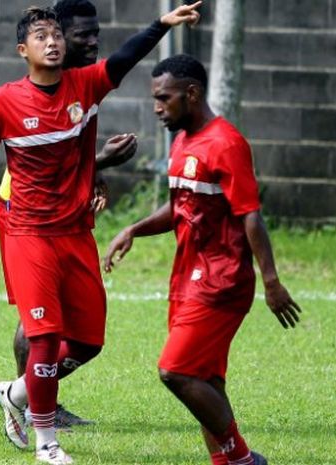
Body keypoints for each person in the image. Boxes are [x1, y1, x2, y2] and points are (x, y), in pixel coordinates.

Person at [0, 4, 202, 463]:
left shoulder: (85, 86)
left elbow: (124, 60)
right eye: (40, 36)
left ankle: (16, 393)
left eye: (56, 34)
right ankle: (47, 444)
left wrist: (161, 25)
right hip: (28, 232)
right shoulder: (3, 102)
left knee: (88, 340)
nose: (52, 41)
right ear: (22, 50)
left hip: (75, 232)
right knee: (44, 336)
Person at [103, 54, 302, 465]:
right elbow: (180, 207)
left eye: (164, 98)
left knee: (176, 371)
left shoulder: (227, 143)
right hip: (188, 277)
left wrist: (271, 281)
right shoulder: (181, 142)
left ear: (191, 94)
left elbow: (251, 215)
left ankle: (244, 459)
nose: (157, 107)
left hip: (222, 281)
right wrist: (134, 229)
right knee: (206, 379)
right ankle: (225, 462)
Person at [7, 0, 138, 429]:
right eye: (81, 33)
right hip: (24, 209)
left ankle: (24, 393)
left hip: (66, 209)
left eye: (95, 31)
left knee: (78, 332)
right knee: (41, 319)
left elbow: (70, 145)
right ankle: (31, 403)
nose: (92, 39)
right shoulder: (46, 81)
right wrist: (102, 163)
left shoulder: (85, 80)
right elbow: (45, 154)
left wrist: (94, 173)